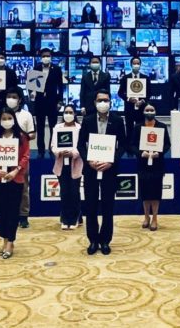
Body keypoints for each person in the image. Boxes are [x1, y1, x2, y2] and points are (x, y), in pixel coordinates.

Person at [78, 90, 126, 255]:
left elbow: (123, 145)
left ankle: (105, 240)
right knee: (90, 206)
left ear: (110, 102)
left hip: (109, 169)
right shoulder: (88, 120)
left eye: (106, 100)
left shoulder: (117, 120)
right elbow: (80, 145)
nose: (103, 103)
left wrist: (111, 161)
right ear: (95, 103)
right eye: (100, 100)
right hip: (91, 169)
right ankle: (93, 240)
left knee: (108, 206)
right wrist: (88, 161)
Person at [0, 107, 29, 259]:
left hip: (15, 179)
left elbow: (25, 156)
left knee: (12, 211)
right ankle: (4, 240)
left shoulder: (21, 137)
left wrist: (15, 171)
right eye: (4, 119)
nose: (7, 121)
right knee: (1, 211)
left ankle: (10, 242)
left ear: (14, 119)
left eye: (9, 118)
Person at [130, 103, 171, 231]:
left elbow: (167, 144)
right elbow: (132, 145)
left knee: (156, 192)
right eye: (147, 110)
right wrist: (140, 153)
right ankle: (146, 217)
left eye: (152, 109)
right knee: (145, 192)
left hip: (157, 164)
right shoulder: (138, 127)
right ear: (143, 112)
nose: (149, 112)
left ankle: (155, 218)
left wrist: (159, 153)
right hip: (143, 164)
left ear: (155, 111)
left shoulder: (162, 126)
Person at [2, 89, 36, 229]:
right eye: (9, 97)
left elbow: (33, 134)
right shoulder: (1, 114)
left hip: (21, 155)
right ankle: (5, 216)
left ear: (20, 99)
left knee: (23, 186)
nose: (11, 99)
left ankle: (23, 216)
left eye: (14, 97)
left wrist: (21, 136)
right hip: (3, 155)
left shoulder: (26, 115)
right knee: (4, 187)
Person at [51, 104, 83, 230]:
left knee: (74, 192)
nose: (68, 114)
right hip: (61, 163)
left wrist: (73, 153)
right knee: (64, 192)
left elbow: (83, 145)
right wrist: (59, 152)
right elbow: (53, 145)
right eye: (66, 112)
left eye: (70, 112)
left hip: (76, 163)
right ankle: (65, 218)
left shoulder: (80, 128)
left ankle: (75, 218)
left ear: (75, 114)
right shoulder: (57, 127)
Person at [31, 49, 64, 159]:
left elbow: (60, 86)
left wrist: (60, 101)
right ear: (41, 57)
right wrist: (32, 94)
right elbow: (32, 86)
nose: (46, 58)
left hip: (52, 102)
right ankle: (41, 151)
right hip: (39, 102)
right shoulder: (36, 68)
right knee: (40, 128)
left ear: (51, 57)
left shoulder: (57, 69)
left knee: (52, 127)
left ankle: (51, 149)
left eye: (48, 56)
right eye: (44, 56)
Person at [118, 57, 150, 154]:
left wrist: (143, 101)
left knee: (141, 128)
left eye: (138, 63)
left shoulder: (145, 78)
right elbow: (120, 93)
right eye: (134, 63)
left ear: (140, 65)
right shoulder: (125, 78)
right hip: (129, 108)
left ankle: (141, 148)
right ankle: (129, 149)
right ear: (131, 65)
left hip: (141, 108)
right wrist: (128, 99)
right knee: (129, 128)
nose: (136, 65)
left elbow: (149, 93)